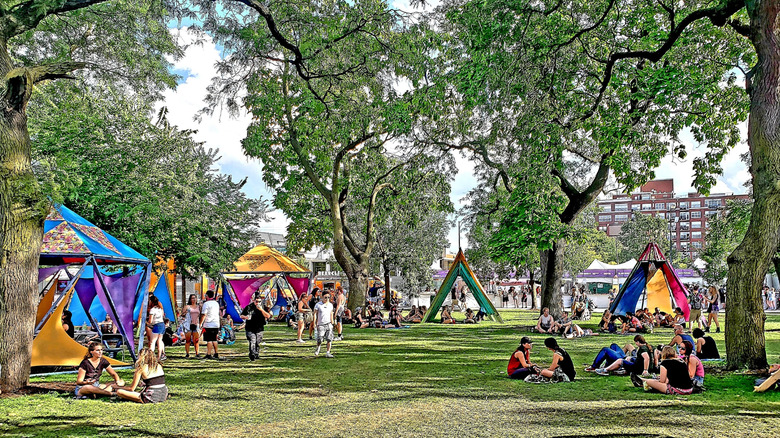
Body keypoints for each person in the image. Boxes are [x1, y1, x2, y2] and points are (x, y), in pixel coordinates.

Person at [241, 292, 271, 361]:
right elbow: (241, 315)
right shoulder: (249, 307)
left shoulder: (263, 307)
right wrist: (246, 317)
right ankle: (252, 354)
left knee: (257, 341)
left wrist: (261, 309)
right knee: (252, 341)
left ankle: (256, 353)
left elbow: (268, 316)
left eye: (259, 301)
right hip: (250, 327)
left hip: (259, 328)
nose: (258, 303)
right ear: (253, 300)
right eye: (256, 301)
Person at [199, 290, 221, 360]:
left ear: (207, 296)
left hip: (209, 323)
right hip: (216, 323)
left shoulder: (206, 304)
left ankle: (208, 353)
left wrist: (200, 323)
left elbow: (204, 314)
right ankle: (216, 352)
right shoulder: (216, 303)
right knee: (214, 339)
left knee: (209, 340)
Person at [313, 290, 335, 357]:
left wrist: (332, 322)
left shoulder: (330, 305)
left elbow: (331, 314)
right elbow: (315, 314)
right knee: (320, 339)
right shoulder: (318, 305)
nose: (327, 299)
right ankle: (318, 349)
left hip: (328, 323)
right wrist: (314, 323)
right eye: (325, 297)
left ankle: (328, 352)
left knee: (329, 338)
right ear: (322, 297)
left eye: (328, 297)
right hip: (321, 324)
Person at [146, 295, 166, 361]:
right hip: (162, 324)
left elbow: (150, 321)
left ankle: (150, 356)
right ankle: (159, 356)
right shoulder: (160, 309)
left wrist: (145, 323)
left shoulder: (152, 310)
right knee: (159, 340)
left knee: (152, 342)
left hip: (156, 325)